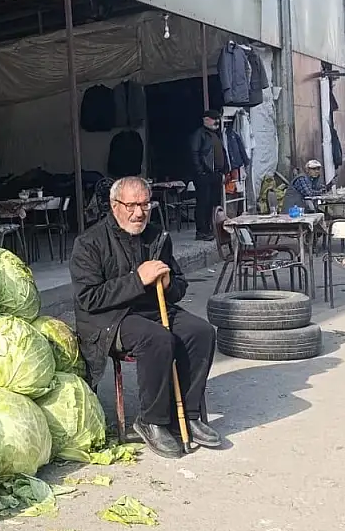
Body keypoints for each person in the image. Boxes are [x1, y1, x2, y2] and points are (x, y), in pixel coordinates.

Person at [70, 176, 221, 458]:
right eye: (131, 205)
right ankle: (152, 420)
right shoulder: (89, 243)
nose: (139, 213)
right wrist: (137, 280)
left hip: (152, 308)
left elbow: (178, 285)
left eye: (145, 205)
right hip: (110, 319)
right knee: (157, 339)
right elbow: (88, 298)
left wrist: (167, 284)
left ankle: (187, 414)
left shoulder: (156, 236)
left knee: (200, 332)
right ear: (115, 206)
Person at [189, 109, 229, 241]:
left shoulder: (214, 135)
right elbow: (194, 153)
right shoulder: (199, 134)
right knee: (203, 203)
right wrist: (201, 171)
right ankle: (202, 231)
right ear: (206, 119)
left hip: (215, 174)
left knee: (214, 203)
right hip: (204, 175)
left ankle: (212, 229)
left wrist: (224, 171)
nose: (217, 121)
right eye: (214, 119)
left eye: (218, 118)